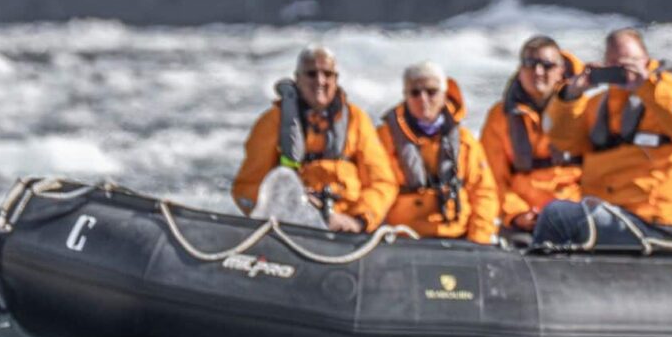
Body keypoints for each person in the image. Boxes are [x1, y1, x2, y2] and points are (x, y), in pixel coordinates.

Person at [535, 27, 672, 247]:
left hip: (657, 220)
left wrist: (646, 86)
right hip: (613, 213)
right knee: (558, 214)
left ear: (646, 60)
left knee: (558, 216)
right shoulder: (598, 105)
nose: (624, 70)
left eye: (631, 62)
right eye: (615, 65)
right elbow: (560, 137)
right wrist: (572, 93)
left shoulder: (670, 93)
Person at [232, 46, 397, 233]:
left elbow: (382, 183)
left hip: (346, 229)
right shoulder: (272, 122)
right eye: (311, 74)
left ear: (336, 79)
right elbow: (247, 186)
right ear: (297, 78)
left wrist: (359, 220)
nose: (320, 81)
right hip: (290, 229)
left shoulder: (357, 120)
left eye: (327, 74)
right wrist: (285, 208)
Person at [376, 62, 500, 244]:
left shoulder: (465, 141)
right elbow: (376, 187)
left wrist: (478, 241)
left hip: (457, 238)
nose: (423, 99)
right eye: (415, 93)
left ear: (444, 95)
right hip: (402, 239)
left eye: (431, 92)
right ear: (406, 97)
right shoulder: (384, 139)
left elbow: (484, 193)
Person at [482, 35, 584, 237]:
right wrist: (517, 213)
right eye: (530, 64)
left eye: (547, 65)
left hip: (576, 215)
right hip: (523, 220)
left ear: (561, 71)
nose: (538, 72)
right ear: (520, 70)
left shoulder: (583, 110)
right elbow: (491, 178)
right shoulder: (499, 116)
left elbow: (600, 170)